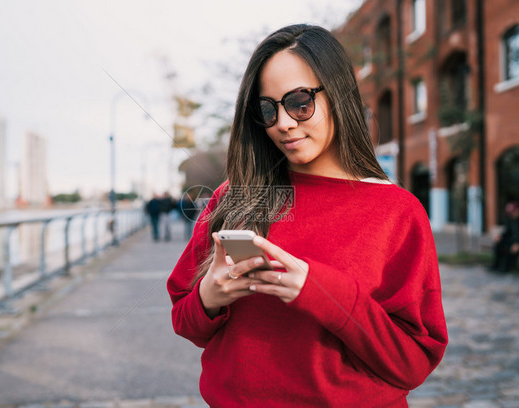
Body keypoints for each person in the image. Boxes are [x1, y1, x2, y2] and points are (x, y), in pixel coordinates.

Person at [167, 24, 448, 407]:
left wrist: (320, 292)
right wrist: (209, 295)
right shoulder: (234, 197)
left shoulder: (397, 212)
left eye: (300, 102)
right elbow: (185, 320)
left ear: (339, 95)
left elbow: (412, 363)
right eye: (267, 109)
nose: (283, 123)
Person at [491, 201, 519, 273]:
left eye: (513, 212)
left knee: (511, 248)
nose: (511, 214)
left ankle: (506, 267)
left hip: (516, 242)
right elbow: (507, 232)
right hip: (512, 241)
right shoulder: (510, 219)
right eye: (510, 213)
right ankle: (496, 265)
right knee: (499, 245)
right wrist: (500, 237)